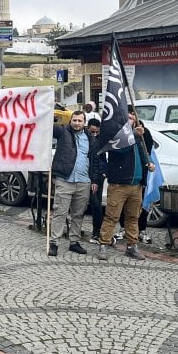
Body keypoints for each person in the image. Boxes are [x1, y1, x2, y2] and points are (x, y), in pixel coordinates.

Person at [93, 110, 154, 261]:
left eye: (133, 115)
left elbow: (144, 151)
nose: (131, 117)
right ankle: (103, 245)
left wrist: (148, 163)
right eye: (128, 115)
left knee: (133, 217)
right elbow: (122, 149)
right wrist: (133, 133)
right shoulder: (116, 135)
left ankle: (132, 246)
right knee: (111, 216)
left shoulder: (137, 135)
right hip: (119, 184)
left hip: (136, 184)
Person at [48, 111, 94, 256]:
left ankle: (74, 242)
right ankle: (54, 242)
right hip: (65, 180)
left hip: (83, 181)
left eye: (80, 121)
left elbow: (94, 158)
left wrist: (95, 179)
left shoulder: (90, 137)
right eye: (74, 120)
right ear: (70, 121)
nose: (77, 123)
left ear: (84, 122)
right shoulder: (63, 132)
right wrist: (50, 117)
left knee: (78, 214)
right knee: (60, 213)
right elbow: (48, 128)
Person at [85, 117, 104, 242]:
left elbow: (99, 161)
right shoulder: (85, 139)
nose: (95, 134)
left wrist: (97, 179)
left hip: (97, 176)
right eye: (92, 132)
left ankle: (96, 232)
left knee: (96, 205)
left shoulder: (99, 140)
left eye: (97, 132)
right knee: (91, 205)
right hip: (87, 175)